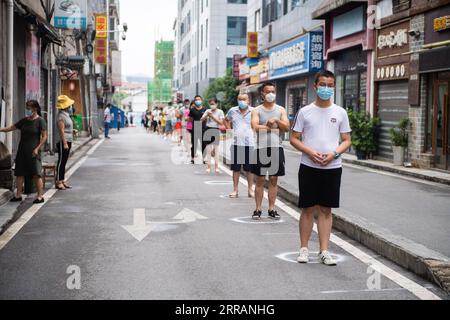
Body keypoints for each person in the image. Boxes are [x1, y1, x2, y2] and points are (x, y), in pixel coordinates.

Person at [290, 70, 352, 266]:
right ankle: (304, 249)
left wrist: (334, 154)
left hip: (333, 167)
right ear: (315, 86)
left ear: (334, 87)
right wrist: (310, 152)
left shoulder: (340, 112)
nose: (326, 88)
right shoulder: (305, 111)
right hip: (309, 166)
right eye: (323, 84)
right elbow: (294, 138)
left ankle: (324, 251)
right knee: (307, 208)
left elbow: (347, 140)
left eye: (330, 85)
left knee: (326, 209)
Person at [251, 82, 290, 220]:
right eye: (268, 91)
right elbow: (255, 127)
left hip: (276, 148)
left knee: (273, 179)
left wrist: (276, 121)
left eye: (272, 91)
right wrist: (269, 126)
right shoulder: (257, 110)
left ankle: (272, 208)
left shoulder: (280, 110)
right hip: (261, 148)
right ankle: (257, 209)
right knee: (260, 180)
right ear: (262, 93)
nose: (270, 94)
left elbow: (286, 127)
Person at [0, 100, 48, 204]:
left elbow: (44, 137)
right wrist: (1, 129)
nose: (27, 110)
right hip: (22, 150)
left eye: (29, 108)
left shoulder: (40, 121)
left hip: (34, 151)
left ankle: (40, 196)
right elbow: (12, 127)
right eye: (26, 108)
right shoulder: (24, 121)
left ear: (34, 109)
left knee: (36, 173)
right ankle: (18, 195)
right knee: (19, 173)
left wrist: (37, 148)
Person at [224, 94, 255, 198]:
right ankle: (235, 190)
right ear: (237, 100)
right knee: (236, 168)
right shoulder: (232, 110)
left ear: (248, 100)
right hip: (236, 143)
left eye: (244, 99)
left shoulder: (254, 111)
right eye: (240, 99)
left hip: (250, 143)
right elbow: (226, 120)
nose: (242, 101)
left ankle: (250, 189)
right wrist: (229, 131)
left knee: (249, 169)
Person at [55, 95, 75, 191]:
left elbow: (67, 128)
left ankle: (62, 180)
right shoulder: (60, 116)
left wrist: (72, 130)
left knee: (64, 161)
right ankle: (58, 181)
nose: (70, 106)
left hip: (68, 140)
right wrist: (64, 143)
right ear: (65, 106)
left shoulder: (66, 115)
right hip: (64, 141)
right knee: (61, 161)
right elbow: (61, 131)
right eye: (69, 105)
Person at [201, 98, 225, 174]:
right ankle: (208, 167)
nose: (212, 105)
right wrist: (206, 116)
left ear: (216, 104)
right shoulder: (208, 111)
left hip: (216, 130)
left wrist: (212, 117)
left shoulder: (220, 112)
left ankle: (216, 167)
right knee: (208, 150)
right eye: (210, 104)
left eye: (213, 104)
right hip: (207, 129)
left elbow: (221, 123)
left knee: (216, 150)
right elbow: (201, 120)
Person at [188, 96, 208, 164]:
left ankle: (204, 158)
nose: (198, 101)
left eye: (199, 99)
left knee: (203, 144)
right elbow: (190, 119)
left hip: (203, 127)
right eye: (196, 100)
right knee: (194, 144)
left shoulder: (205, 109)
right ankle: (192, 158)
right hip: (195, 127)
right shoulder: (192, 110)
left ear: (201, 100)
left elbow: (207, 119)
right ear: (194, 101)